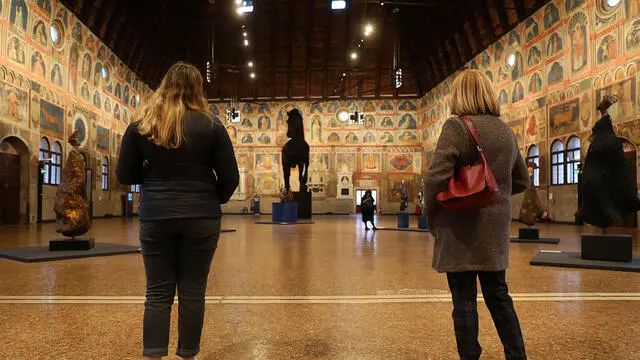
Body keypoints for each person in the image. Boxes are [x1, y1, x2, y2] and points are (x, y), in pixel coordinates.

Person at [116, 62, 239, 360]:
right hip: (202, 215)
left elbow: (123, 174)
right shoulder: (212, 126)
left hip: (156, 214)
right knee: (193, 290)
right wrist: (213, 199)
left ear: (164, 86)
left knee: (157, 292)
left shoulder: (141, 126)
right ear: (197, 89)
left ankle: (153, 355)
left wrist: (151, 175)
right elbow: (231, 177)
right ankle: (187, 355)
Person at [424, 69, 530, 360]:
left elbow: (436, 177)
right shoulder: (506, 130)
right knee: (499, 296)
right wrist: (496, 195)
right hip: (494, 232)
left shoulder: (456, 127)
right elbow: (521, 179)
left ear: (459, 95)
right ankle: (516, 355)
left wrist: (429, 209)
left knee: (464, 301)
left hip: (460, 229)